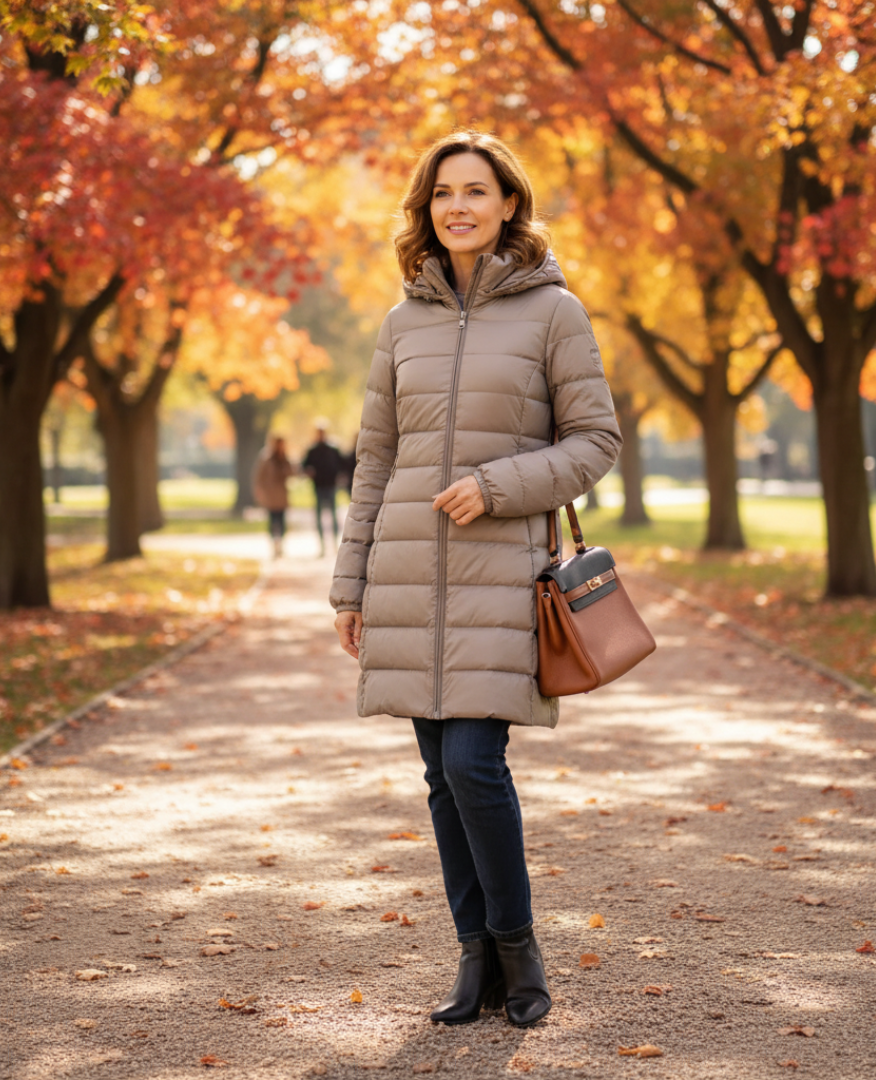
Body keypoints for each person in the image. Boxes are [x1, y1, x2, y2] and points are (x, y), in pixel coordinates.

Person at [330, 132, 621, 1029]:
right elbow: (374, 461)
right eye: (443, 193)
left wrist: (496, 488)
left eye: (477, 191)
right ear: (426, 209)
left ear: (506, 205)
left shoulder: (553, 313)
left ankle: (520, 950)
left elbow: (596, 443)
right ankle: (476, 963)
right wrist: (351, 585)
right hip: (409, 576)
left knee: (472, 762)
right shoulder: (400, 323)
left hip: (502, 575)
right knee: (439, 776)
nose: (458, 206)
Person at [302, 424, 343, 556]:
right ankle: (322, 546)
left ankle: (336, 543)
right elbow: (304, 466)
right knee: (319, 516)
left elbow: (341, 464)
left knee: (333, 515)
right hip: (318, 486)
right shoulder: (312, 450)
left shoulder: (333, 449)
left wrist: (339, 476)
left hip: (330, 486)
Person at [252, 434, 295, 558]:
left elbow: (292, 472)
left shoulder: (285, 459)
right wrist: (259, 490)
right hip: (271, 495)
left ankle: (280, 543)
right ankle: (274, 543)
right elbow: (259, 475)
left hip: (281, 495)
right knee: (272, 520)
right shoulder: (266, 458)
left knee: (281, 520)